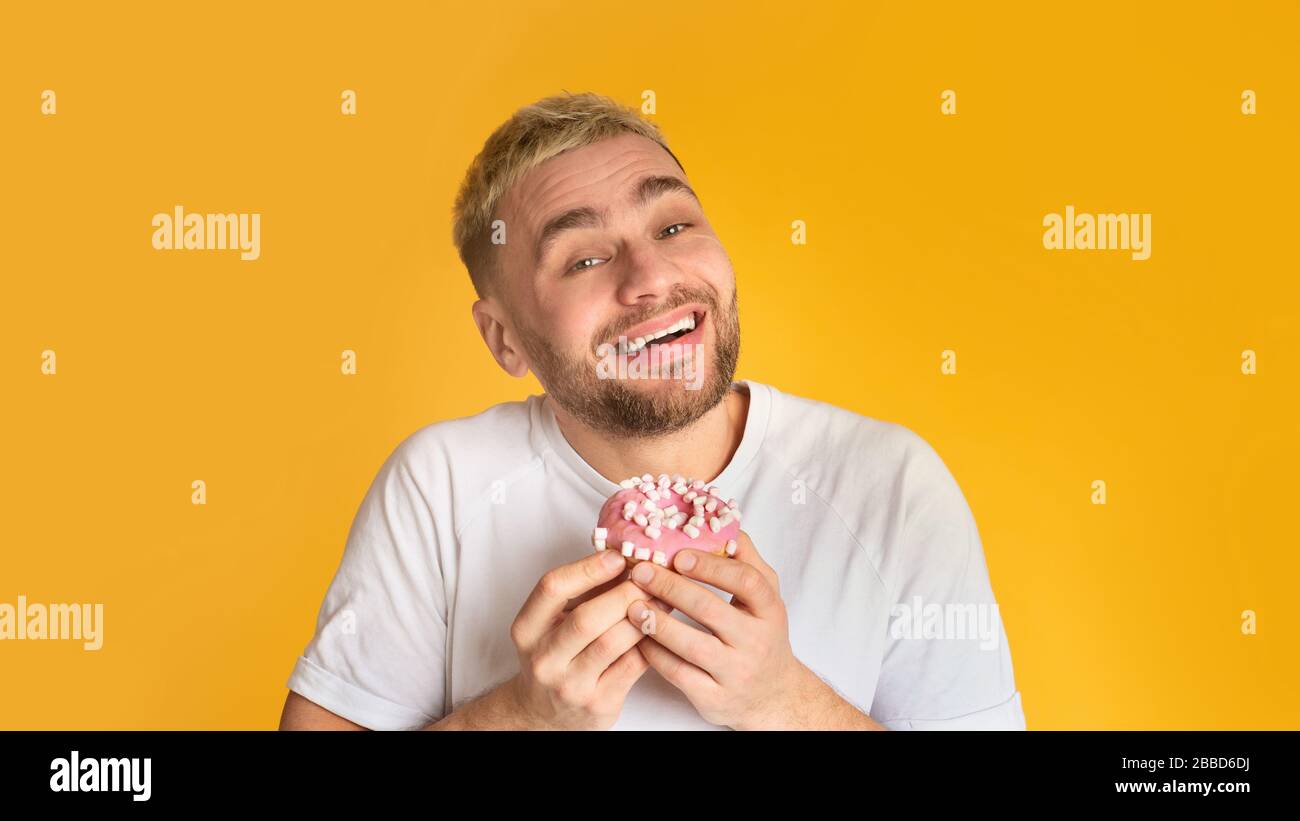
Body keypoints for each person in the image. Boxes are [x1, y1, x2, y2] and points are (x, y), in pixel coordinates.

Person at [278, 92, 1025, 730]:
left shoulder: (889, 485)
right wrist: (518, 715)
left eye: (672, 227)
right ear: (505, 338)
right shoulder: (438, 487)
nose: (652, 277)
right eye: (584, 258)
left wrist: (783, 701)